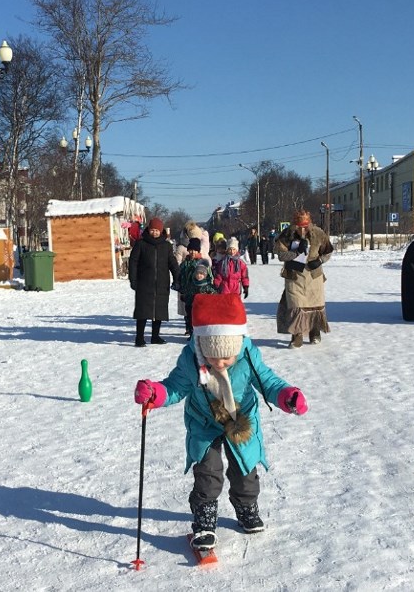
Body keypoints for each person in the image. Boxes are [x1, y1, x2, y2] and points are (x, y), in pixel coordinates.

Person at [132, 293, 307, 552]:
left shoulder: (247, 357)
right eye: (214, 358)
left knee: (245, 469)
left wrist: (286, 396)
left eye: (228, 357)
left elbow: (267, 382)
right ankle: (204, 522)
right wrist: (155, 393)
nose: (222, 363)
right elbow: (176, 386)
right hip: (204, 422)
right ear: (202, 345)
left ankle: (247, 507)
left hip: (240, 418)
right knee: (207, 473)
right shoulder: (191, 359)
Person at [274, 210, 334, 346]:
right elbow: (280, 254)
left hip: (314, 275)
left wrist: (320, 261)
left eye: (305, 225)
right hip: (294, 276)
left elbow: (328, 251)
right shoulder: (287, 234)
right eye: (299, 226)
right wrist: (295, 252)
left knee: (314, 305)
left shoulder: (318, 233)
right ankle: (297, 336)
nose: (302, 229)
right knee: (296, 306)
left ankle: (315, 332)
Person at [129, 217, 179, 347]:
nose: (154, 233)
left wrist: (177, 277)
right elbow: (133, 262)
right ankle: (139, 337)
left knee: (159, 311)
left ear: (161, 231)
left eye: (157, 230)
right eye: (152, 230)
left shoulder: (166, 246)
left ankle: (155, 336)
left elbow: (172, 263)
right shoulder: (141, 244)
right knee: (143, 311)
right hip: (144, 283)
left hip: (162, 283)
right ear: (148, 230)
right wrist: (133, 279)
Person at [178, 238, 216, 336]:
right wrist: (181, 291)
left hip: (200, 293)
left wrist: (210, 289)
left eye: (195, 250)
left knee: (199, 313)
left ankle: (200, 332)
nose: (192, 252)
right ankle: (190, 331)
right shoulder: (184, 263)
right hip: (188, 292)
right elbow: (180, 277)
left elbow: (209, 277)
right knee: (189, 313)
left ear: (198, 251)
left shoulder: (203, 262)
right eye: (190, 250)